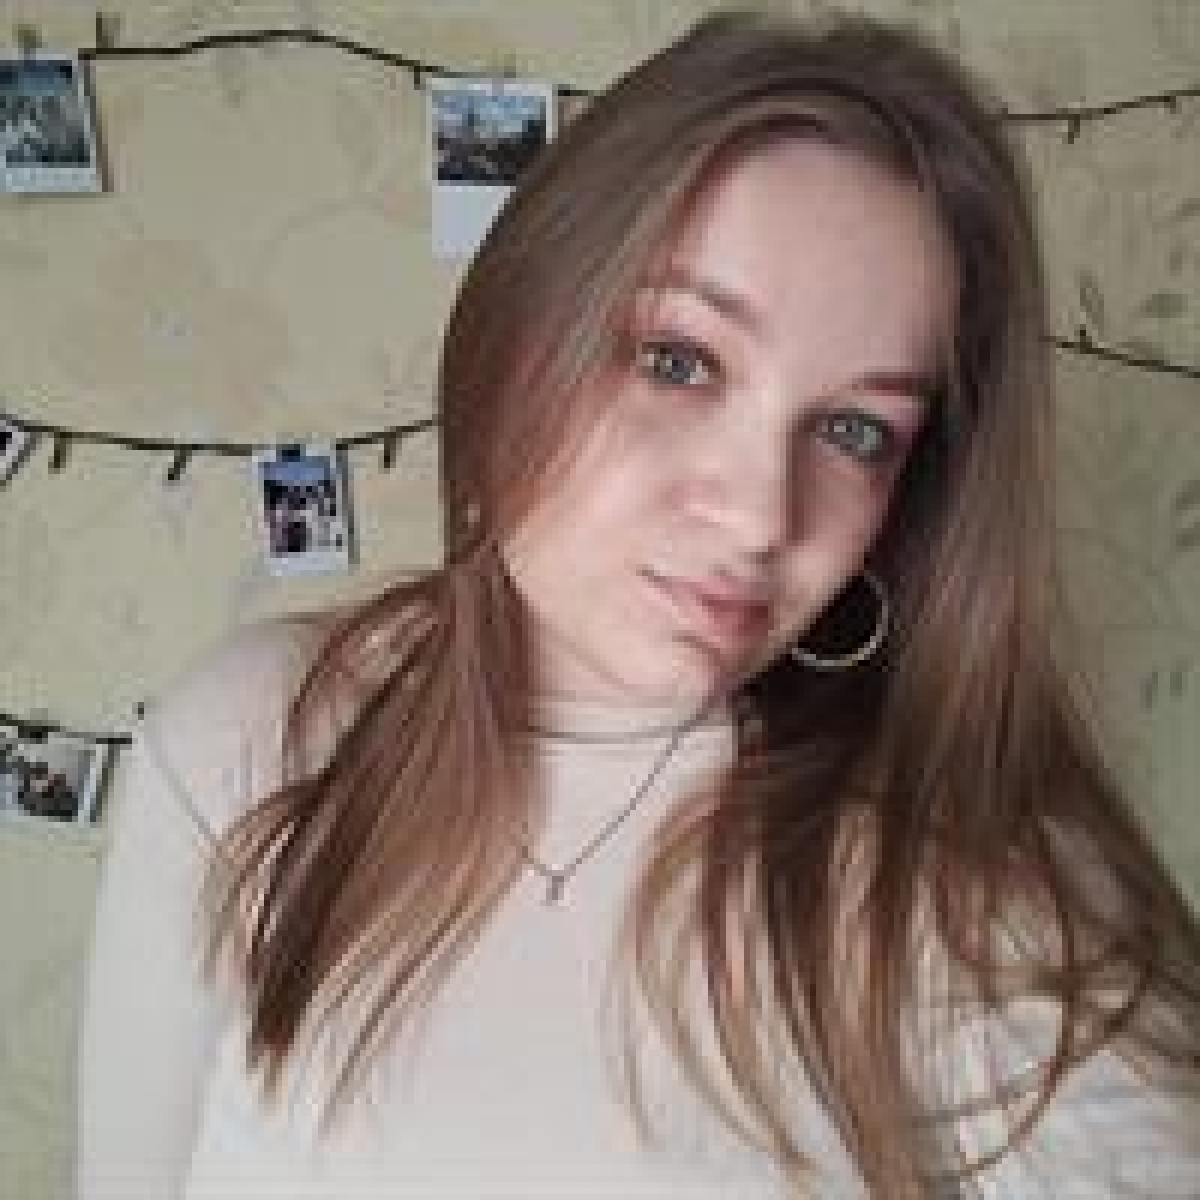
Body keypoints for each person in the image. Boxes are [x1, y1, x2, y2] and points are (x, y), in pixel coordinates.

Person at [77, 10, 1200, 1198]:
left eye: (854, 431)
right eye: (679, 360)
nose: (760, 515)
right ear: (520, 337)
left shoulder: (963, 879)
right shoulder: (256, 734)